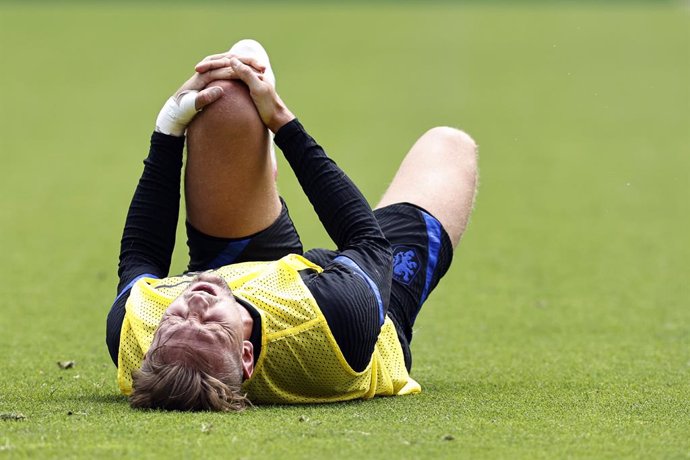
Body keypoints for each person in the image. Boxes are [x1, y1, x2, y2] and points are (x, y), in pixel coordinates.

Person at [106, 39, 478, 411]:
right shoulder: (333, 323)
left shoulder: (139, 329)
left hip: (233, 272)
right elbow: (367, 241)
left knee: (227, 97)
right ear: (247, 356)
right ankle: (259, 170)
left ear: (154, 342)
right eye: (210, 326)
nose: (195, 303)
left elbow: (141, 253)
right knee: (448, 145)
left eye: (177, 320)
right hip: (358, 311)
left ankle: (254, 178)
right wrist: (281, 122)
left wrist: (168, 126)